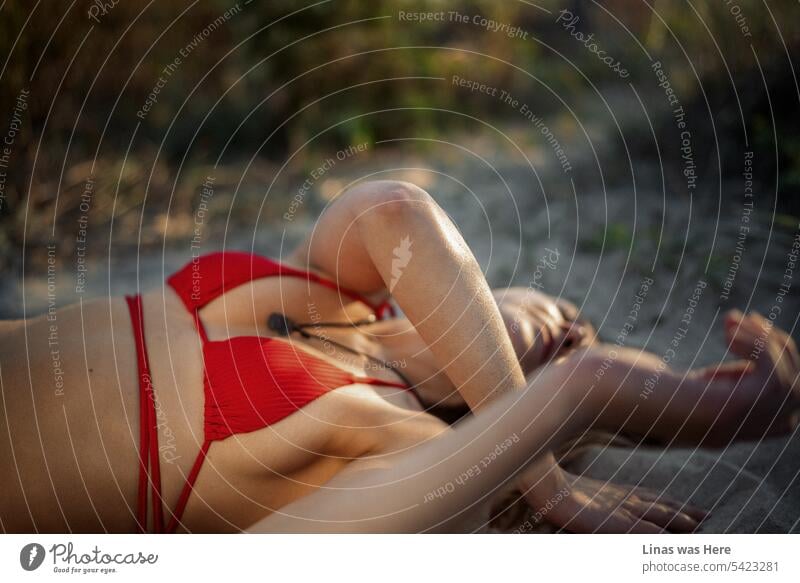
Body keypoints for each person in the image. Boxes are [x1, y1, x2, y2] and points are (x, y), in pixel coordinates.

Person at [1, 180, 797, 533]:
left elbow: (580, 384)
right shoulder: (338, 286)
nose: (566, 333)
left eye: (564, 347)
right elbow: (397, 209)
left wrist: (716, 411)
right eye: (567, 316)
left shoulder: (398, 444)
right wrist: (543, 466)